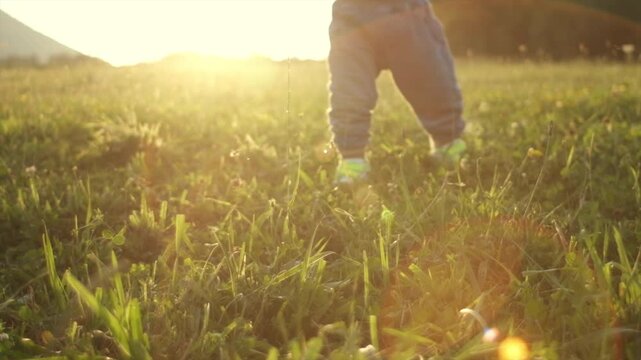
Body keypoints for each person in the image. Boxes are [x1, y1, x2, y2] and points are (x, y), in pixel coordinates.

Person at [328, 0, 467, 185]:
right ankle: (352, 160)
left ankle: (447, 143)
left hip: (407, 12)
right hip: (351, 17)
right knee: (349, 88)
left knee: (431, 81)